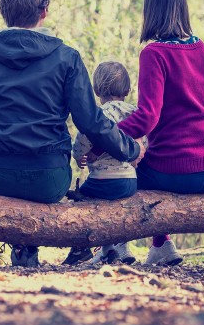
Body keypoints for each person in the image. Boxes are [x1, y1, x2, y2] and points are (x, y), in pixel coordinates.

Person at [0, 0, 144, 266]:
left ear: (4, 11)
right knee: (38, 171)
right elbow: (91, 123)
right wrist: (131, 149)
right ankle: (27, 248)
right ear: (44, 12)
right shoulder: (67, 58)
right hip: (50, 179)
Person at [118, 0, 204, 266]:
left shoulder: (155, 54)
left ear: (151, 10)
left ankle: (113, 245)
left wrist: (105, 134)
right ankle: (161, 246)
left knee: (120, 175)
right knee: (144, 162)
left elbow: (147, 118)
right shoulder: (202, 49)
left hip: (176, 168)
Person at [62, 61, 147, 266]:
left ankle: (82, 249)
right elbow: (143, 142)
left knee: (81, 199)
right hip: (129, 182)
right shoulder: (135, 112)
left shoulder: (98, 115)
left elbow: (83, 140)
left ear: (97, 89)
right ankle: (117, 248)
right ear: (127, 89)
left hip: (102, 180)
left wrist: (78, 155)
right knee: (119, 208)